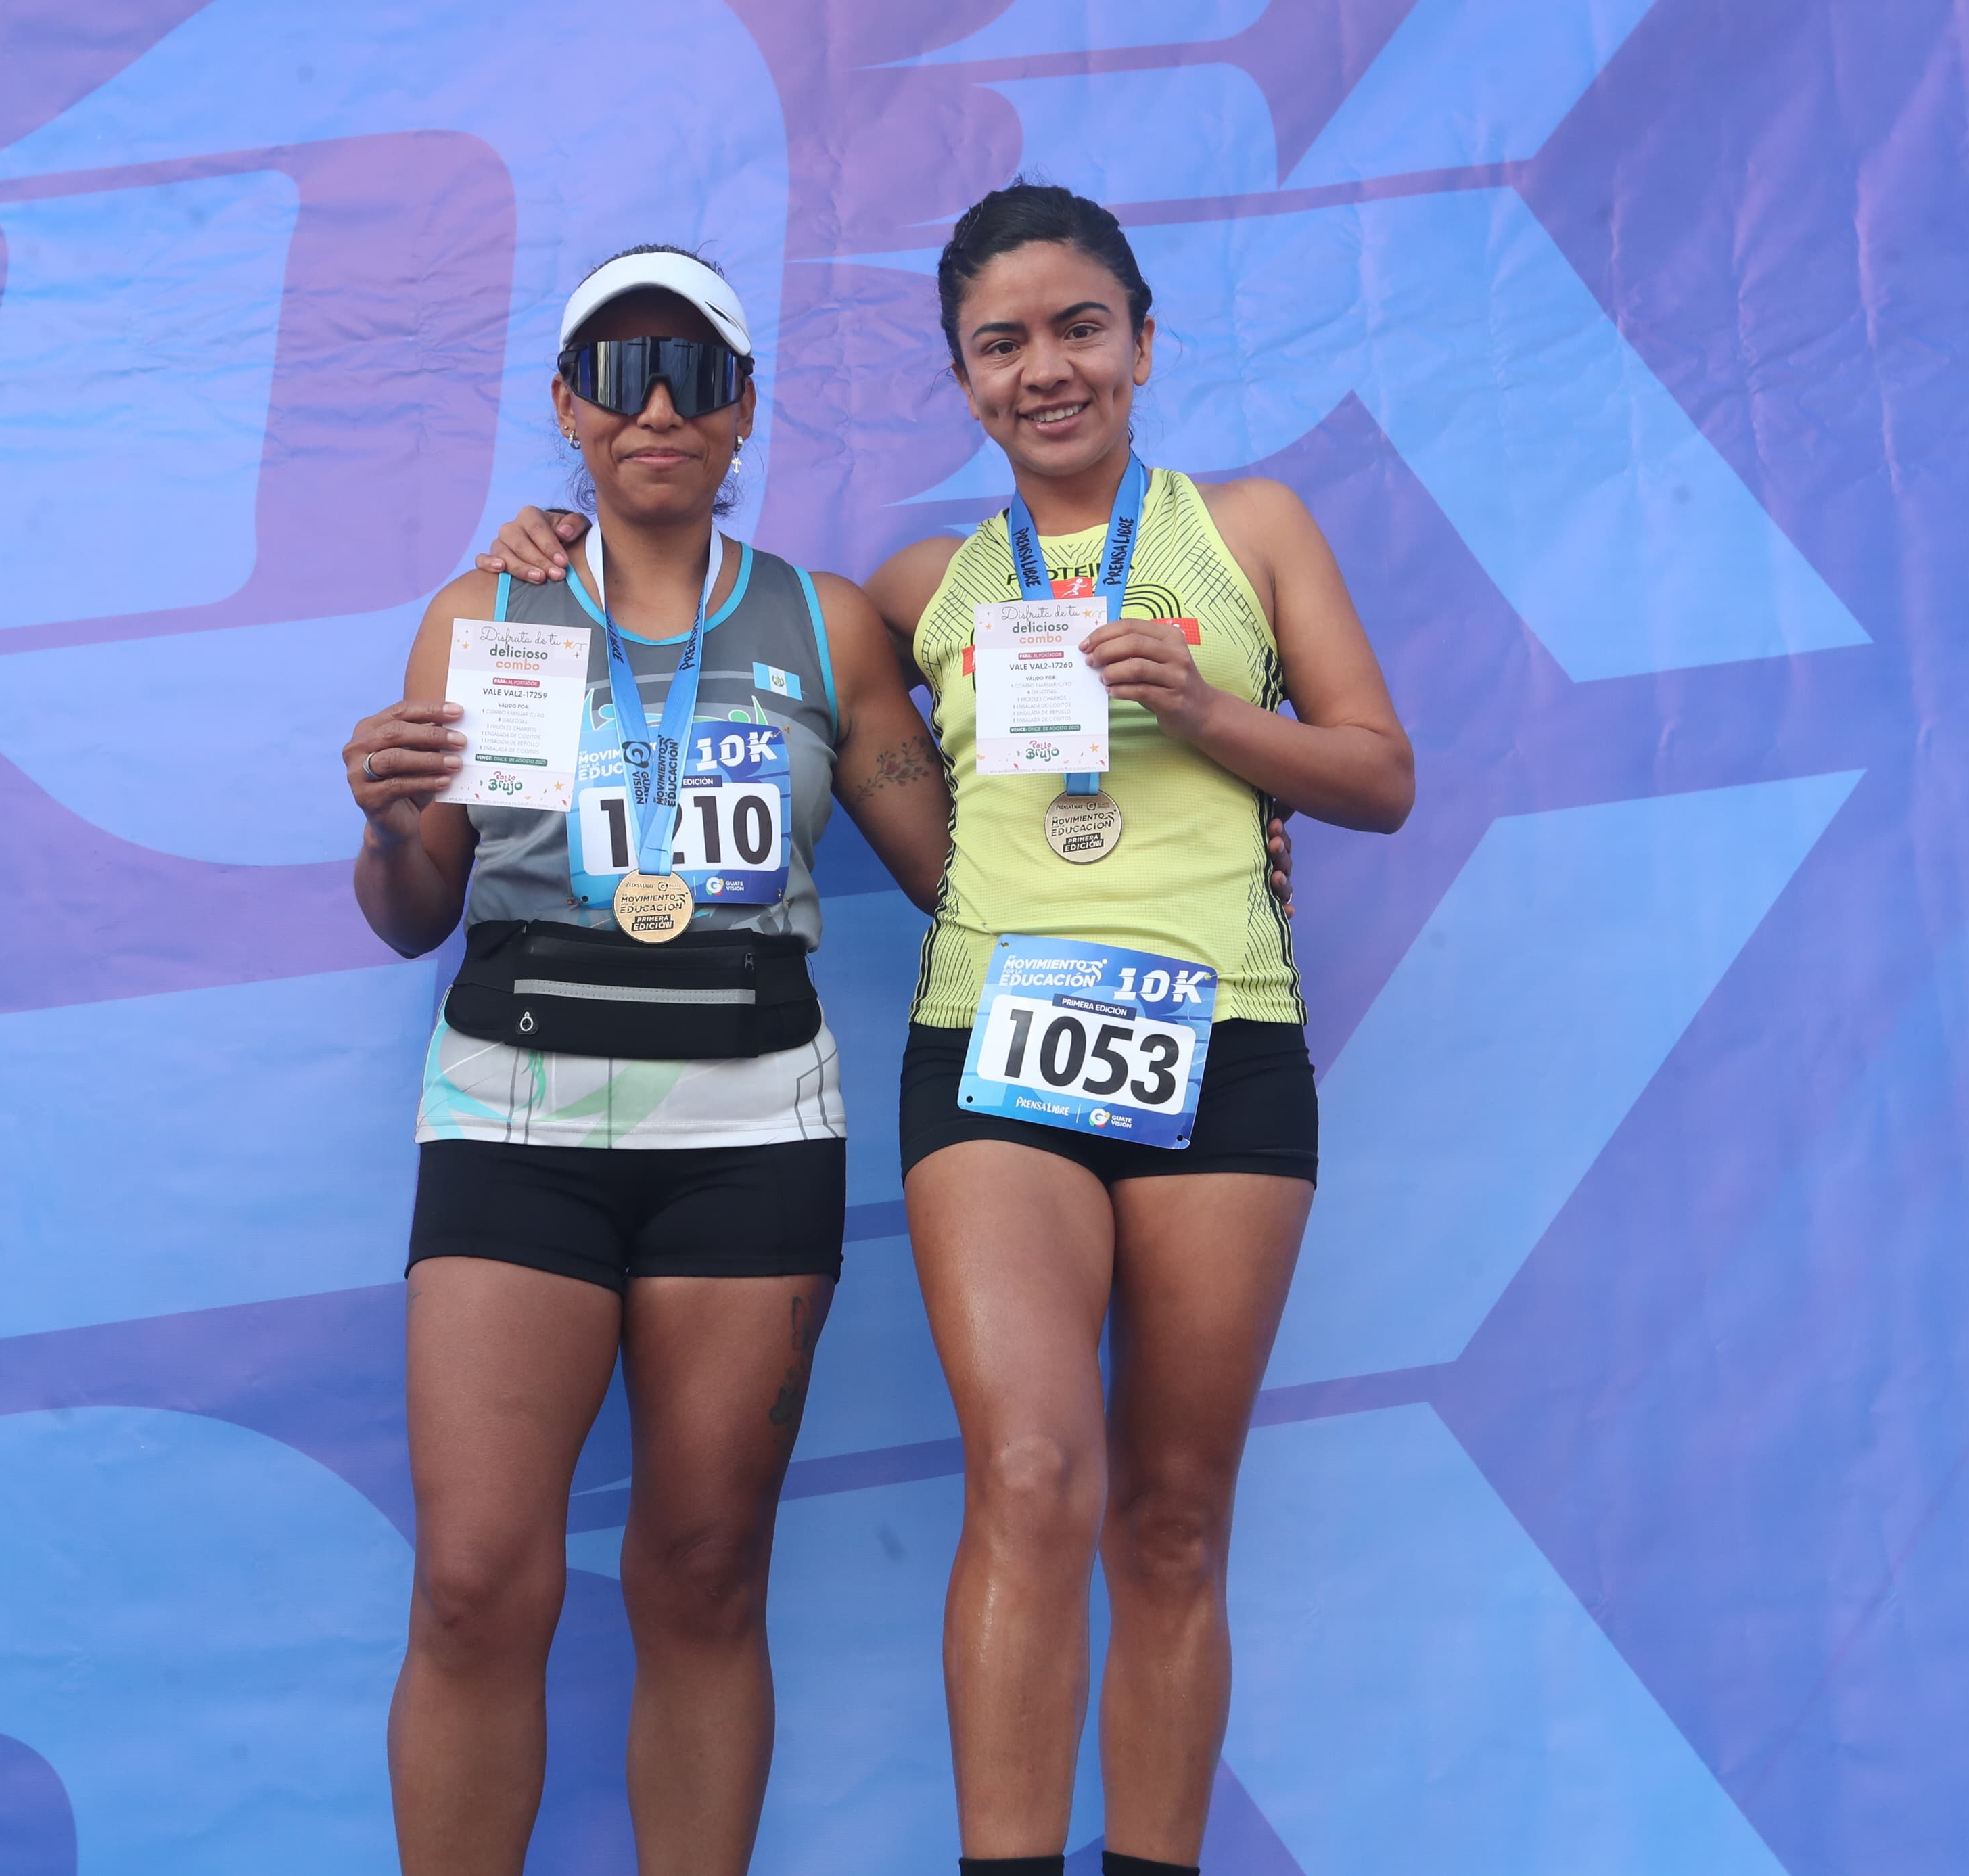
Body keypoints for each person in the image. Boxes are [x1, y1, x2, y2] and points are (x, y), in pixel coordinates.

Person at [480, 185, 1414, 1876]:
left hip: (1226, 1038)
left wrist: (1212, 718)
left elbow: (1381, 774)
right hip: (997, 1040)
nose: (1044, 368)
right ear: (962, 377)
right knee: (1037, 1467)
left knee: (1177, 1515)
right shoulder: (914, 588)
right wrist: (539, 547)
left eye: (1078, 329)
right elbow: (723, 659)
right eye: (1002, 344)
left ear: (1141, 343)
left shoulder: (1253, 529)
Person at [344, 244, 951, 1876]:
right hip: (514, 1105)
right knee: (476, 1579)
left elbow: (955, 873)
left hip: (752, 1127)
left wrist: (1168, 825)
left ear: (744, 410)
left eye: (693, 370)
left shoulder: (823, 626)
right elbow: (414, 912)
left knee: (701, 1569)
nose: (658, 401)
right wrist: (399, 813)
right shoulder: (491, 610)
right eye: (618, 372)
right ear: (566, 407)